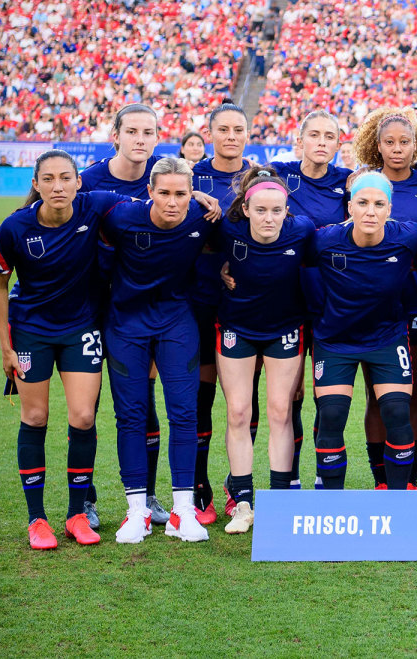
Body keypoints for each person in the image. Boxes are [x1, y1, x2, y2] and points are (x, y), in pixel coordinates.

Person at [0, 151, 131, 549]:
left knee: (83, 417)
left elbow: (151, 202)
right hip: (31, 331)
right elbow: (0, 284)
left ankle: (76, 514)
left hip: (81, 328)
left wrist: (203, 199)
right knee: (35, 416)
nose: (58, 186)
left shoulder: (94, 206)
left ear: (78, 182)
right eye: (48, 179)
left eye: (65, 178)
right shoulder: (15, 227)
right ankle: (37, 520)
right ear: (36, 184)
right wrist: (5, 346)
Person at [102, 157, 223, 544]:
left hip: (176, 321)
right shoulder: (120, 216)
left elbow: (238, 240)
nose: (173, 202)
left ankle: (182, 512)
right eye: (165, 193)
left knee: (184, 413)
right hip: (126, 324)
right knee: (131, 414)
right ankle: (136, 511)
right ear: (150, 191)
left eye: (182, 194)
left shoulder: (200, 220)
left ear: (192, 194)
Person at [79, 103, 172, 525]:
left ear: (157, 137)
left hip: (141, 310)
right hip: (89, 307)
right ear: (114, 135)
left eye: (148, 132)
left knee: (141, 403)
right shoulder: (90, 181)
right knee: (87, 407)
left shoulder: (166, 180)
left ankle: (148, 496)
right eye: (131, 131)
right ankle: (84, 498)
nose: (140, 139)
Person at [308, 171, 417, 490]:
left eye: (378, 204)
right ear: (350, 207)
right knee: (331, 415)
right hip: (335, 341)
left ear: (390, 208)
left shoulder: (409, 236)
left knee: (396, 410)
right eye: (362, 203)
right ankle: (334, 502)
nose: (370, 211)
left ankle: (398, 496)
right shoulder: (324, 240)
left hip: (387, 338)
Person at [213, 167, 312, 533]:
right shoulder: (227, 230)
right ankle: (242, 503)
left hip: (285, 329)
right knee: (238, 412)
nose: (268, 218)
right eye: (261, 210)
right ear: (247, 208)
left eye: (276, 210)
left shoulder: (302, 231)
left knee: (280, 412)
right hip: (237, 328)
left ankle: (280, 503)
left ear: (287, 210)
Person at [352, 106, 417, 489]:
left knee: (412, 396)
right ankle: (381, 479)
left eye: (405, 142)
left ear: (415, 143)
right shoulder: (362, 184)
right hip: (373, 304)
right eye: (389, 142)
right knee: (378, 397)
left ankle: (410, 478)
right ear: (377, 144)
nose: (397, 149)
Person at [271, 110, 353, 490]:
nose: (322, 142)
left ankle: (324, 474)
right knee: (289, 395)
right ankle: (288, 477)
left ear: (339, 144)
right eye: (314, 135)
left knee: (325, 394)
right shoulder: (276, 174)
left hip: (330, 301)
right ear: (299, 139)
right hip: (285, 299)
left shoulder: (347, 182)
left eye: (330, 136)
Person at [190, 102, 251, 522]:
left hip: (244, 302)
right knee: (201, 396)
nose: (231, 136)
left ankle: (237, 488)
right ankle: (199, 487)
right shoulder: (190, 175)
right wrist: (192, 192)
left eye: (239, 129)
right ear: (209, 133)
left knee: (242, 403)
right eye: (223, 129)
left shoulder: (258, 177)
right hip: (197, 298)